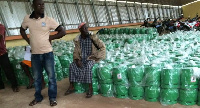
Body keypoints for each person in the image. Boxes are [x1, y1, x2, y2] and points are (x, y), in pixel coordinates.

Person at [20, 0, 66, 106]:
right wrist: (28, 41)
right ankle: (38, 97)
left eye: (43, 5)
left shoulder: (48, 19)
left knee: (51, 77)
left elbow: (62, 31)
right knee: (37, 78)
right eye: (39, 5)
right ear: (33, 6)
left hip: (47, 54)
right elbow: (22, 30)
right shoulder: (27, 19)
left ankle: (52, 98)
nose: (42, 7)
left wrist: (51, 37)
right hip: (35, 54)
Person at [64, 23, 106, 98]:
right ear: (80, 30)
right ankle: (71, 86)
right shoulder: (78, 40)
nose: (87, 30)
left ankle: (90, 88)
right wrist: (77, 60)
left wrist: (96, 56)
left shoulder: (93, 37)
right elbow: (76, 51)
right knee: (72, 66)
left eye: (87, 28)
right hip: (82, 58)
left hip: (90, 58)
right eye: (85, 29)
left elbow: (103, 47)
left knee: (88, 67)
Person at [0, 22, 19, 92]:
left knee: (8, 70)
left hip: (2, 53)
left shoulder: (1, 27)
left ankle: (14, 85)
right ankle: (1, 86)